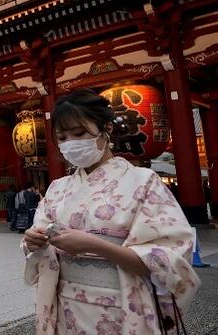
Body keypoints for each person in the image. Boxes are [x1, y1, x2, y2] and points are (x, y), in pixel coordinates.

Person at [23, 89, 200, 334]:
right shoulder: (57, 188)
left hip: (121, 307)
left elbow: (172, 256)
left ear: (106, 130)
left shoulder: (143, 181)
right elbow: (40, 240)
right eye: (62, 137)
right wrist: (34, 242)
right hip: (66, 308)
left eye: (79, 133)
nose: (69, 143)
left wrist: (96, 246)